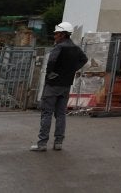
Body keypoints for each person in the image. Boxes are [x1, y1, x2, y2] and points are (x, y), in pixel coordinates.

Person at [31, 22, 88, 152]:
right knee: (61, 114)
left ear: (63, 34)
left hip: (53, 85)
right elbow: (84, 59)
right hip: (66, 85)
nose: (55, 36)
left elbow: (51, 62)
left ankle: (42, 143)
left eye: (56, 34)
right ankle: (58, 143)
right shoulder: (75, 48)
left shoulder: (59, 47)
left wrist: (50, 74)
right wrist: (71, 70)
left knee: (47, 113)